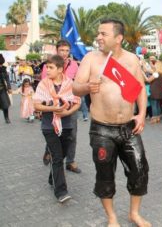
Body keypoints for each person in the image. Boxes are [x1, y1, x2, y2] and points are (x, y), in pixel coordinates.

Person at [73, 19, 150, 227]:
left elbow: (140, 88)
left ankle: (134, 213)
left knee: (140, 169)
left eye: (103, 34)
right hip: (101, 130)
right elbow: (75, 88)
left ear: (118, 38)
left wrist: (142, 114)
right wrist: (88, 86)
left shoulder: (132, 59)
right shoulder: (91, 59)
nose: (98, 37)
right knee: (105, 175)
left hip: (129, 127)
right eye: (98, 33)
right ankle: (112, 217)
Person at [33, 55, 81, 203]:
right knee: (58, 157)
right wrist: (52, 108)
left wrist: (67, 112)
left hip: (66, 126)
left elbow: (77, 102)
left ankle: (52, 177)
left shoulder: (70, 84)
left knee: (62, 155)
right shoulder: (43, 84)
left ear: (60, 69)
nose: (47, 70)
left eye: (51, 67)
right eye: (47, 67)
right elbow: (36, 104)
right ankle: (61, 191)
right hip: (49, 126)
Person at [42, 40, 82, 173]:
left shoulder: (74, 65)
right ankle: (50, 151)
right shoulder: (49, 65)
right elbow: (44, 84)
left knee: (71, 135)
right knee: (54, 132)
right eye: (62, 50)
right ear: (56, 50)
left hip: (70, 105)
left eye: (67, 50)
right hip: (54, 106)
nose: (64, 53)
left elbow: (78, 83)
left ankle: (70, 161)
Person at [0, 54, 12, 124]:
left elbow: (7, 79)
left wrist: (9, 87)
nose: (0, 65)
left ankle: (6, 118)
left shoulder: (3, 69)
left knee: (5, 104)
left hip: (2, 89)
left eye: (1, 64)